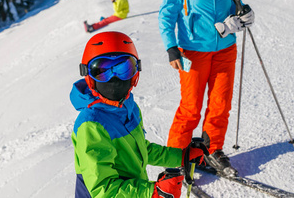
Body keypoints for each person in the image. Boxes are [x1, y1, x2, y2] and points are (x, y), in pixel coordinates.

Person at [158, 0, 255, 177]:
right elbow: (167, 13)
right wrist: (171, 46)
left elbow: (236, 1)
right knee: (190, 109)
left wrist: (243, 13)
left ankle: (212, 150)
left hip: (225, 49)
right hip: (193, 51)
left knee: (220, 104)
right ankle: (174, 160)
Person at [70, 31, 207, 197]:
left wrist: (181, 156)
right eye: (102, 71)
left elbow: (141, 150)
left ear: (135, 73)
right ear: (90, 77)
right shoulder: (91, 125)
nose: (114, 79)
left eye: (124, 68)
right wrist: (152, 192)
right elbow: (103, 189)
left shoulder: (128, 108)